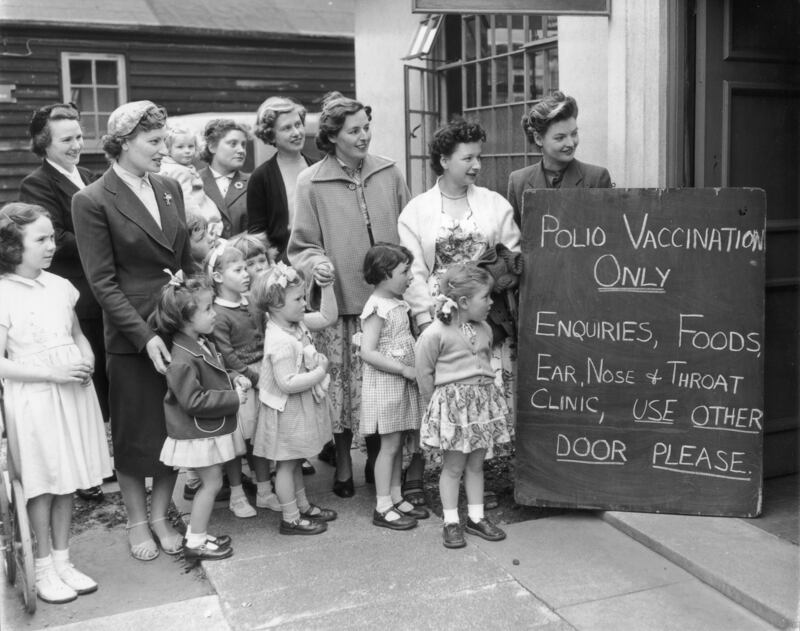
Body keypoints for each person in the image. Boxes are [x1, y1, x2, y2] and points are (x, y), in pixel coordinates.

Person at [71, 100, 194, 562]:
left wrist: (197, 315)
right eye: (154, 142)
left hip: (177, 325)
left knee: (172, 429)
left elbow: (184, 261)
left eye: (164, 140)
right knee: (134, 434)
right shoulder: (92, 199)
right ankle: (137, 521)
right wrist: (146, 337)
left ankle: (162, 515)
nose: (164, 150)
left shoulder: (168, 188)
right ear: (123, 144)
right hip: (132, 336)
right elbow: (101, 283)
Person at [288, 91, 410, 497]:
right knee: (342, 392)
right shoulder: (311, 181)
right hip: (339, 304)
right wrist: (315, 263)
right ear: (333, 136)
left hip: (388, 302)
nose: (364, 136)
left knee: (382, 387)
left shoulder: (390, 172)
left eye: (366, 127)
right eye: (354, 130)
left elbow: (407, 230)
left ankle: (379, 461)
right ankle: (342, 463)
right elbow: (301, 246)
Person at [398, 119, 521, 507]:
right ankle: (431, 469)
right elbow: (414, 269)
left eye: (478, 157)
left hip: (485, 318)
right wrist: (424, 318)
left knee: (482, 390)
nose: (476, 165)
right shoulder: (417, 211)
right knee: (442, 392)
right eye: (467, 157)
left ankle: (478, 482)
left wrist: (493, 285)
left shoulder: (494, 204)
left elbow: (511, 255)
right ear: (443, 159)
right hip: (441, 316)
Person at [0, 202, 112, 603]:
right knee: (44, 482)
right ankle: (43, 564)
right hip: (35, 397)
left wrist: (87, 356)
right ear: (13, 246)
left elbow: (76, 332)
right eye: (41, 239)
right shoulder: (3, 293)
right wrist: (51, 374)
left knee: (67, 478)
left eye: (52, 237)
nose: (51, 246)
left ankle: (63, 559)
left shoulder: (60, 285)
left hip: (71, 390)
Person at [19, 103, 108, 503]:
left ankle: (108, 459)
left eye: (79, 136)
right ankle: (87, 471)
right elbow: (56, 236)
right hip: (77, 293)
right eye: (67, 139)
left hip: (106, 287)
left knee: (109, 375)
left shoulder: (91, 176)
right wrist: (106, 243)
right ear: (44, 144)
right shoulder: (37, 184)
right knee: (90, 382)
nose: (77, 144)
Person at [149, 271, 246, 561]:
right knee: (212, 483)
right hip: (196, 432)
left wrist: (232, 379)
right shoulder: (181, 357)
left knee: (212, 481)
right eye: (207, 309)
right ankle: (196, 540)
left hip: (203, 431)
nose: (213, 313)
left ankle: (198, 534)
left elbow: (211, 378)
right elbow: (192, 400)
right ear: (185, 319)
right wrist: (233, 398)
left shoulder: (199, 343)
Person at [415, 263, 511, 549]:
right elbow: (424, 372)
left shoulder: (484, 329)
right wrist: (438, 407)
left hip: (480, 408)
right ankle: (451, 521)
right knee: (453, 467)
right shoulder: (436, 333)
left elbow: (483, 364)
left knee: (477, 464)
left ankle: (476, 517)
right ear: (465, 302)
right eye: (486, 297)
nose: (492, 302)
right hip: (454, 411)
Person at [250, 262, 338, 535]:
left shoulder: (295, 325)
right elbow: (287, 383)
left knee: (295, 460)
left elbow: (327, 317)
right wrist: (320, 371)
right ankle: (290, 518)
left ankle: (301, 505)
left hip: (295, 408)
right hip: (285, 411)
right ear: (276, 305)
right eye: (298, 299)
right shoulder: (279, 340)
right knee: (287, 465)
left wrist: (327, 285)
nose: (304, 304)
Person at [358, 243, 428, 530]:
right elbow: (367, 351)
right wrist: (402, 368)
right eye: (404, 271)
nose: (410, 276)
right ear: (385, 274)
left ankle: (396, 496)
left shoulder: (398, 302)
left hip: (402, 382)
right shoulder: (376, 307)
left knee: (397, 443)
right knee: (388, 446)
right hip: (388, 382)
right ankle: (382, 505)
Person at [206, 240, 274, 517]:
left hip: (262, 374)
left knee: (261, 438)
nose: (246, 274)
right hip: (240, 381)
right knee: (236, 442)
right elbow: (227, 354)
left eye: (246, 268)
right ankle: (236, 494)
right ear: (219, 277)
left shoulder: (254, 303)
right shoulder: (219, 314)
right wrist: (253, 377)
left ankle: (265, 490)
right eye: (238, 269)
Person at [506, 91, 612, 227]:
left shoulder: (597, 178)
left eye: (574, 134)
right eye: (560, 137)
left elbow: (608, 237)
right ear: (538, 139)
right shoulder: (518, 181)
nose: (571, 143)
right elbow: (513, 241)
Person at [247, 97, 314, 261]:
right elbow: (258, 234)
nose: (296, 133)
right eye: (287, 128)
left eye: (298, 125)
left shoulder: (319, 168)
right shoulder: (261, 177)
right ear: (271, 135)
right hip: (282, 267)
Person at [159, 125, 222, 231]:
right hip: (199, 221)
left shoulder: (181, 168)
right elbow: (186, 200)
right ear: (168, 150)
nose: (187, 151)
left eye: (191, 146)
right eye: (180, 147)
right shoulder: (179, 171)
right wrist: (199, 223)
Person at [199, 119, 250, 238]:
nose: (241, 150)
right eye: (233, 144)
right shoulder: (193, 182)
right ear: (212, 147)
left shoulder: (254, 183)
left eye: (243, 145)